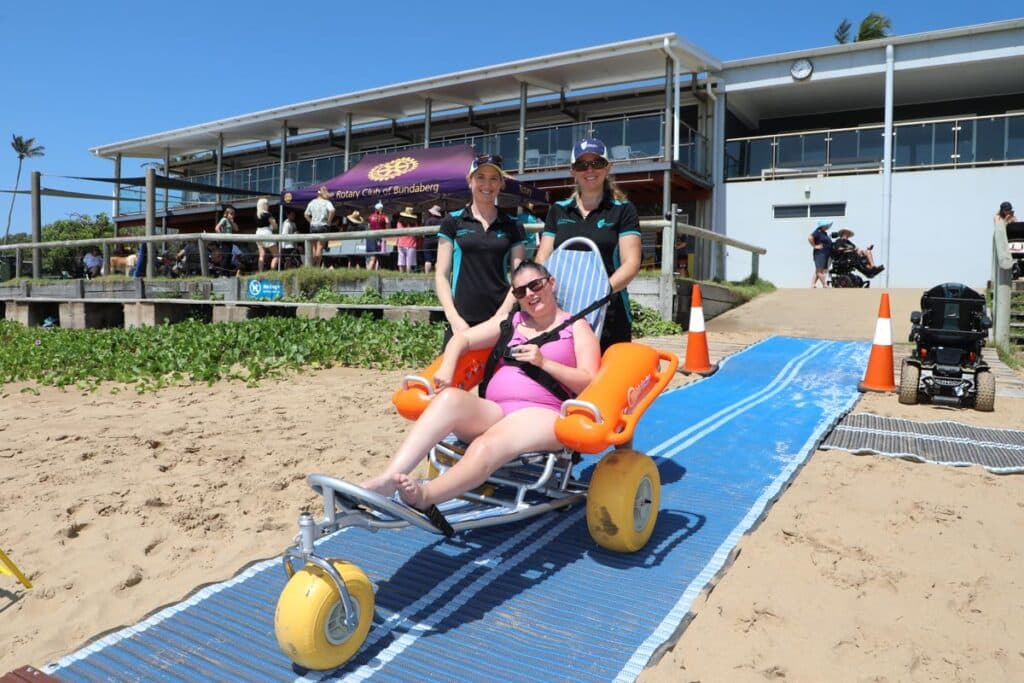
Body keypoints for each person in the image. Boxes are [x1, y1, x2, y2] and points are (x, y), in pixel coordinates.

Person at [361, 260, 601, 515]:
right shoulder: (511, 322)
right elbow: (462, 338)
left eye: (535, 285)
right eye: (521, 291)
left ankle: (425, 496)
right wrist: (447, 367)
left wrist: (544, 362)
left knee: (486, 446)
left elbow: (589, 380)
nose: (530, 294)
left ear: (550, 284)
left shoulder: (576, 326)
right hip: (496, 410)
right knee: (449, 399)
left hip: (542, 413)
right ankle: (388, 479)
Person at [535, 137, 641, 351]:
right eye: (582, 165)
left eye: (597, 163)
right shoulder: (558, 210)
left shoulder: (623, 210)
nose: (589, 170)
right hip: (562, 309)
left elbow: (631, 263)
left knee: (608, 382)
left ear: (607, 167)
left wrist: (598, 294)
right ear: (572, 171)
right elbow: (543, 258)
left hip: (609, 311)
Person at [436, 154, 528, 347]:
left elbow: (519, 278)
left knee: (499, 376)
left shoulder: (513, 226)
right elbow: (441, 275)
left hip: (499, 319)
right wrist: (453, 318)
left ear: (502, 183)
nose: (487, 184)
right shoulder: (452, 222)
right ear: (470, 181)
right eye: (480, 177)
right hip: (461, 321)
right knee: (449, 375)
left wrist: (502, 314)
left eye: (494, 178)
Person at [304, 187, 335, 267]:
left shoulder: (312, 202)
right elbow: (332, 211)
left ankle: (311, 265)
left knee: (314, 249)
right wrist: (329, 221)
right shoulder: (326, 202)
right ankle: (316, 265)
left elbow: (306, 214)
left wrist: (311, 221)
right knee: (320, 248)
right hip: (323, 226)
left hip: (313, 226)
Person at [254, 197, 278, 273]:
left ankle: (260, 272)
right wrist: (274, 226)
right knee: (276, 255)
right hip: (267, 233)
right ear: (264, 205)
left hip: (258, 233)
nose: (268, 205)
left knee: (261, 255)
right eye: (267, 204)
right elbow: (275, 226)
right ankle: (272, 271)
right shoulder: (268, 214)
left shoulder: (256, 215)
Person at [808, 220, 833, 288]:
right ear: (823, 226)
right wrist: (815, 246)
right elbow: (810, 237)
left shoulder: (824, 233)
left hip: (825, 254)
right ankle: (825, 284)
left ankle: (813, 284)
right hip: (820, 253)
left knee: (818, 270)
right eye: (826, 225)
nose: (828, 226)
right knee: (819, 270)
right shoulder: (818, 231)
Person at [421, 205, 444, 274]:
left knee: (428, 260)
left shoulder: (429, 220)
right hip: (438, 241)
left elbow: (424, 232)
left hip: (428, 241)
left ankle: (427, 274)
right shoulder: (442, 221)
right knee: (438, 259)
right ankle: (437, 274)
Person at [366, 201, 389, 270]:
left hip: (371, 238)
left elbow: (369, 226)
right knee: (377, 257)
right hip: (380, 238)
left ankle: (372, 273)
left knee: (373, 257)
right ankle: (371, 274)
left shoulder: (370, 216)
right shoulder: (384, 217)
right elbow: (388, 224)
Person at [396, 206, 419, 273]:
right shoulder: (414, 224)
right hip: (411, 243)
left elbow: (398, 232)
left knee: (401, 260)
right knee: (409, 261)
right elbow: (417, 233)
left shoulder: (399, 223)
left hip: (401, 243)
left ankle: (401, 275)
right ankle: (408, 274)